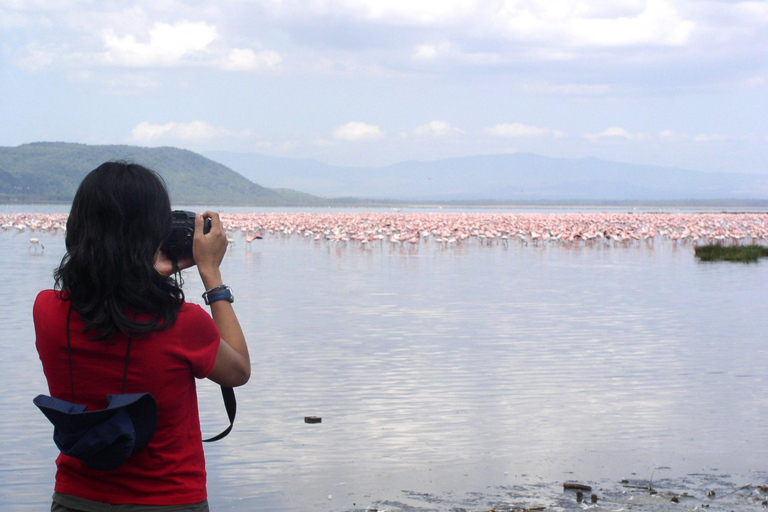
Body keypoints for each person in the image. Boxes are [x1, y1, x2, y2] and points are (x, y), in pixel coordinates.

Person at [34, 161, 250, 511]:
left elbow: (111, 302)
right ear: (152, 234)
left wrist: (147, 271)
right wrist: (211, 273)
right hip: (169, 500)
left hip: (76, 499)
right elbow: (237, 371)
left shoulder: (46, 311)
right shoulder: (184, 323)